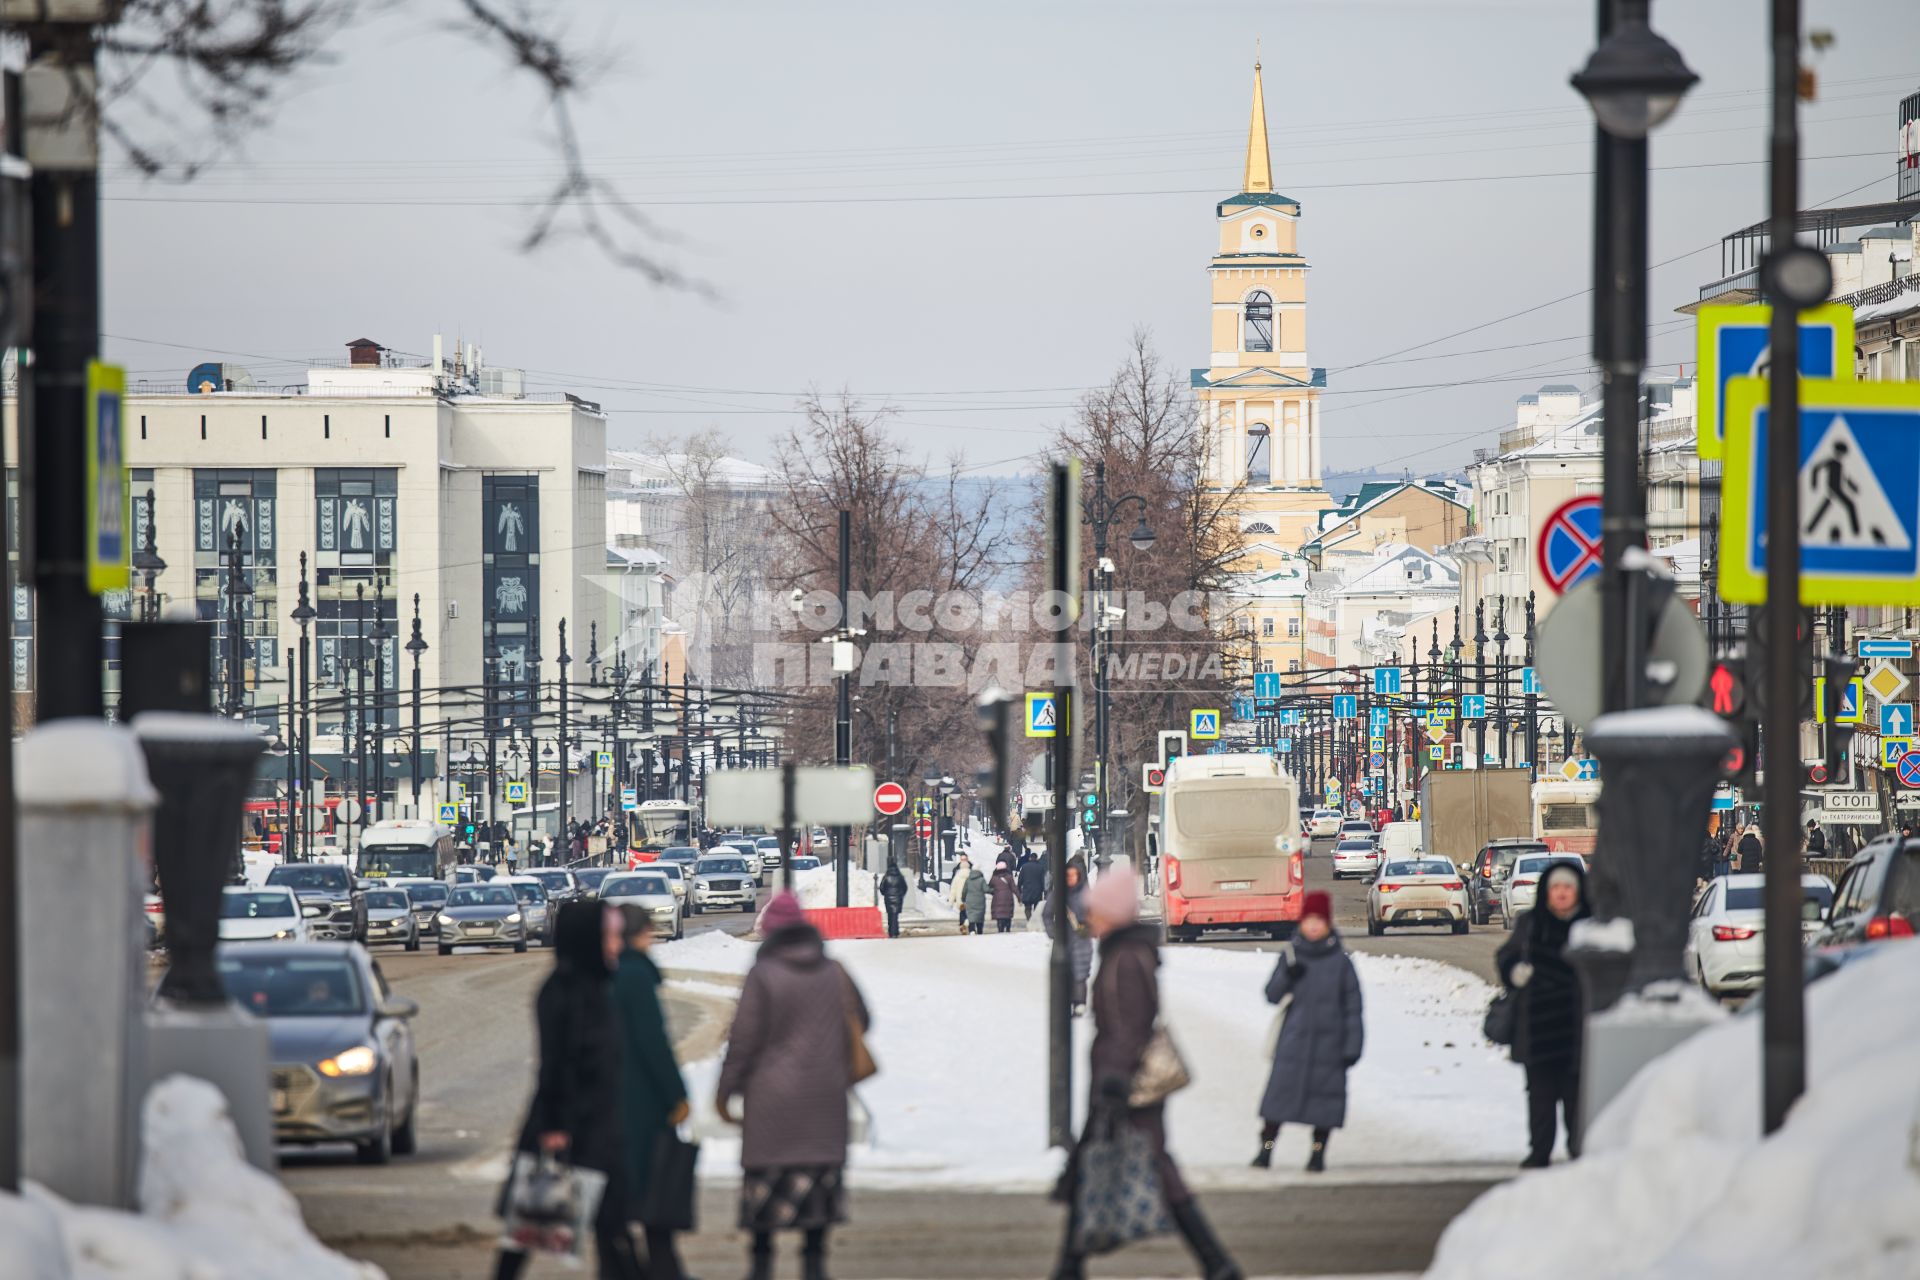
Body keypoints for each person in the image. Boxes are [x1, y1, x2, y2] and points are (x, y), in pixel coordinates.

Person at [1050, 869, 1241, 1280]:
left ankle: (1216, 1263)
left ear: (1114, 914)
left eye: (1097, 912)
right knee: (1111, 1165)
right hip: (1122, 1083)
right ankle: (1070, 1266)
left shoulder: (1125, 960)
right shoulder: (1125, 954)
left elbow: (1128, 1027)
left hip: (1125, 1086)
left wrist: (1114, 1080)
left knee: (1141, 1169)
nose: (1091, 920)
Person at [716, 892, 870, 1280]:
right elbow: (863, 1021)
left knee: (767, 1186)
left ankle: (761, 1264)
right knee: (817, 1184)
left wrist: (725, 1092)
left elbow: (744, 1041)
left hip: (771, 1102)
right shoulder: (834, 970)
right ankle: (815, 1264)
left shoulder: (763, 974)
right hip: (824, 1098)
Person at [493, 901, 643, 1280]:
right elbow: (556, 1064)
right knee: (531, 1226)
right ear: (587, 940)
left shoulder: (597, 986)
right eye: (608, 937)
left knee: (612, 1232)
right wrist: (555, 1125)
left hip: (598, 1129)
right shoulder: (564, 990)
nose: (615, 945)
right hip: (570, 1131)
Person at [1253, 891, 1362, 1173]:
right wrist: (1286, 977)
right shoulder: (1289, 956)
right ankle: (1265, 1151)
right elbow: (1271, 995)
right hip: (1293, 1045)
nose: (1313, 926)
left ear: (1327, 923)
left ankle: (1317, 1154)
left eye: (1319, 921)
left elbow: (1353, 1008)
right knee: (1276, 1107)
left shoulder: (1341, 963)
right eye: (1309, 920)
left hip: (1330, 1046)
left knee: (1324, 1109)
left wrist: (1353, 1046)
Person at [612, 905, 692, 1280]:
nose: (652, 940)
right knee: (653, 1187)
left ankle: (654, 1266)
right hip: (642, 1102)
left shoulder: (615, 973)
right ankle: (663, 1269)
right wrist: (676, 1092)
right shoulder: (634, 975)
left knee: (630, 1191)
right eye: (648, 932)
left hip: (621, 1099)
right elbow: (652, 1041)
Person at [1495, 860, 1592, 1169]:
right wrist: (1514, 972)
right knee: (1540, 1099)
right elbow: (1506, 956)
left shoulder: (1590, 926)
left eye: (1567, 888)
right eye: (1555, 889)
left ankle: (1580, 1151)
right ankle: (1540, 1152)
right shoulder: (1531, 924)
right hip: (1537, 1029)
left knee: (1577, 1099)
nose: (1561, 895)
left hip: (1577, 1030)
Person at [878, 859, 909, 939]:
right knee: (895, 915)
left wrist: (885, 894)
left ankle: (891, 932)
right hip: (898, 898)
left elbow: (881, 887)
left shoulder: (886, 876)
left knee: (890, 915)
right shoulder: (900, 876)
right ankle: (895, 932)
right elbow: (905, 887)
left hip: (888, 898)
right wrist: (901, 894)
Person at [947, 853, 973, 934]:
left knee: (962, 912)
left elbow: (953, 888)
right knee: (970, 912)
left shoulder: (957, 875)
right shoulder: (972, 873)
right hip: (970, 897)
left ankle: (963, 924)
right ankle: (970, 926)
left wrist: (951, 901)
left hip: (960, 897)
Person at [988, 860, 1018, 934]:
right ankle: (1007, 929)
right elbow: (1014, 888)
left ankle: (1000, 929)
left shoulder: (994, 878)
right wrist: (1019, 898)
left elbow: (989, 887)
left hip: (997, 898)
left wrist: (993, 892)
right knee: (1008, 914)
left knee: (999, 915)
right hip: (1008, 898)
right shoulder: (1009, 877)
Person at [1017, 853, 1047, 923]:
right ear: (1036, 858)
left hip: (1027, 890)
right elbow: (1043, 880)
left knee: (1027, 907)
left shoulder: (1024, 867)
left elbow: (1020, 880)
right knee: (1036, 908)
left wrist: (1019, 889)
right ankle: (1035, 920)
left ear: (1030, 858)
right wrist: (1044, 891)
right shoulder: (1040, 867)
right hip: (1037, 891)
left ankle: (1029, 919)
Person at [961, 858, 987, 937]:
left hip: (970, 900)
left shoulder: (968, 880)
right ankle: (979, 930)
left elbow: (964, 891)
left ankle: (972, 929)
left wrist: (963, 898)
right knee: (979, 916)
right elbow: (986, 889)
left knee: (971, 916)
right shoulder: (981, 880)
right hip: (980, 900)